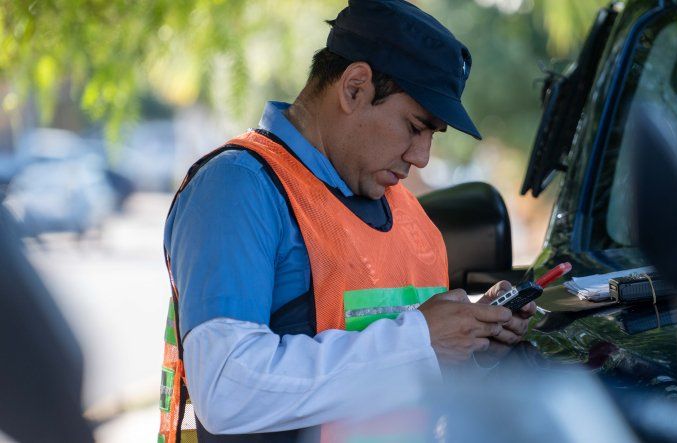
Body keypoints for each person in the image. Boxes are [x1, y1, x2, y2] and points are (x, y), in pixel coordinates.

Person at [158, 1, 536, 442]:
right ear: (355, 88)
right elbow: (227, 389)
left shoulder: (406, 211)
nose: (422, 156)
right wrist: (420, 344)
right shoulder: (237, 188)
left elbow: (398, 381)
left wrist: (472, 341)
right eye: (416, 127)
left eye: (432, 136)